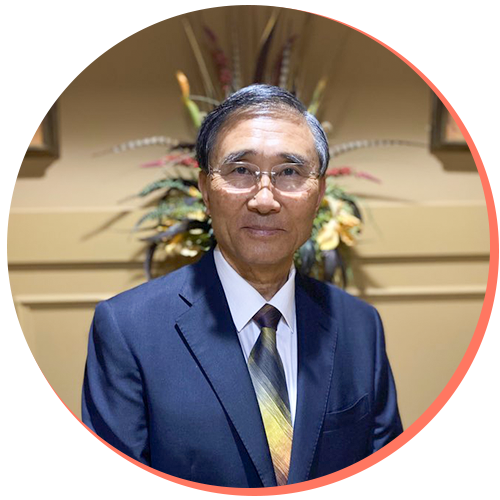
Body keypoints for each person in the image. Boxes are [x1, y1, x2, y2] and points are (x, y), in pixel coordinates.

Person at [81, 84, 409, 489]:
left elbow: (384, 479)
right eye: (241, 171)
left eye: (290, 172)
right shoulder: (128, 329)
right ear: (205, 189)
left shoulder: (360, 326)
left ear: (319, 194)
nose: (265, 200)